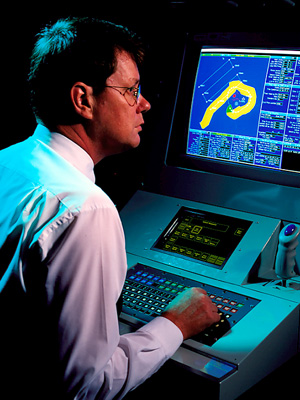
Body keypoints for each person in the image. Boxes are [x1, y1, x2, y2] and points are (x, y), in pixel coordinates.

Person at [0, 17, 220, 399]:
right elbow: (88, 386)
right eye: (131, 91)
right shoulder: (85, 210)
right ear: (83, 100)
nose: (145, 104)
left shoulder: (10, 162)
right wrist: (175, 324)